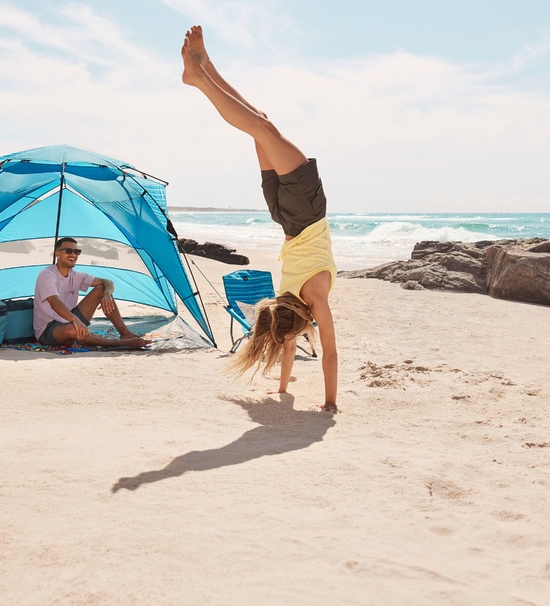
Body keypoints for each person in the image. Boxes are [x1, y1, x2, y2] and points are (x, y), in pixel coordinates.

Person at [181, 25, 339, 413]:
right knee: (262, 125)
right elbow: (286, 346)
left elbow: (330, 356)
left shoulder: (313, 299)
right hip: (283, 217)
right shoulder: (285, 295)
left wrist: (330, 404)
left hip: (305, 212)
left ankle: (200, 78)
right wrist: (282, 388)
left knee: (262, 127)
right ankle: (206, 66)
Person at [33, 237, 152, 349]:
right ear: (57, 253)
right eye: (68, 251)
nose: (73, 255)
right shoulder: (47, 274)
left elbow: (107, 282)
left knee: (101, 289)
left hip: (70, 319)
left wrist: (106, 294)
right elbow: (54, 302)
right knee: (72, 330)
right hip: (49, 328)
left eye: (77, 251)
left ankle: (125, 333)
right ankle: (119, 343)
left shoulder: (76, 275)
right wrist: (76, 320)